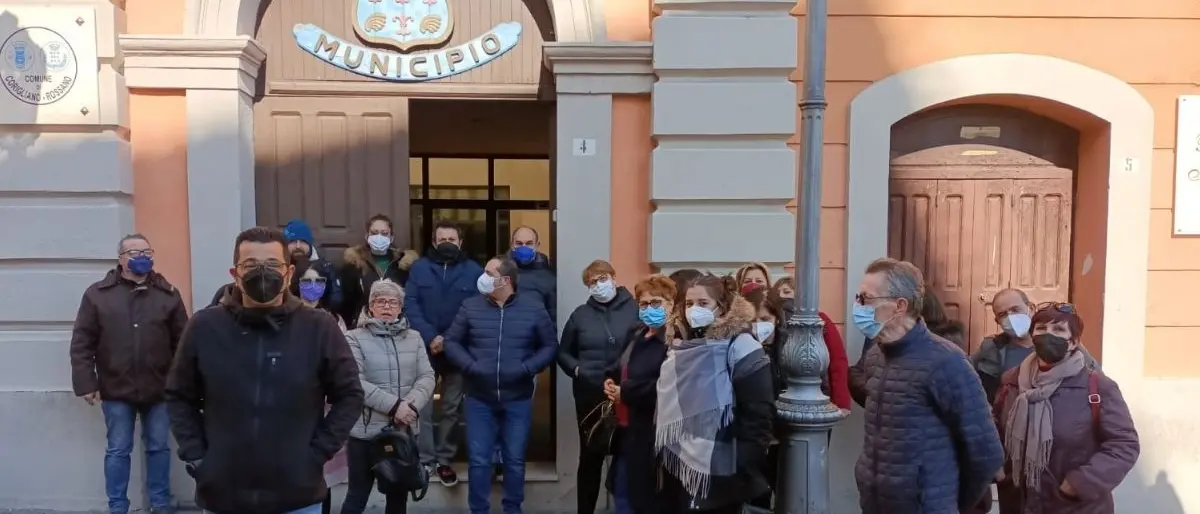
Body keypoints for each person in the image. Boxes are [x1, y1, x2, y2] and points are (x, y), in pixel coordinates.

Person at [165, 226, 364, 514]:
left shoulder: (319, 328)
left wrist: (316, 454)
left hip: (297, 497)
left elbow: (350, 395)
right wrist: (198, 456)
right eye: (251, 265)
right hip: (223, 496)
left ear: (288, 272)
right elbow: (178, 396)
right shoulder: (204, 327)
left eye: (272, 264)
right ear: (235, 274)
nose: (262, 272)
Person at [849, 258, 1003, 514]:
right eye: (857, 297)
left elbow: (985, 452)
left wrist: (948, 502)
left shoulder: (947, 362)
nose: (857, 306)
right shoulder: (875, 356)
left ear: (899, 306)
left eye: (866, 299)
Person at [70, 234, 188, 514]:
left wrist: (181, 382)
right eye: (134, 252)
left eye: (146, 251)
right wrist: (87, 382)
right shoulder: (97, 295)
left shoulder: (168, 295)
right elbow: (82, 342)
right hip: (115, 388)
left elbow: (184, 342)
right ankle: (117, 507)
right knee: (118, 450)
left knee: (159, 448)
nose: (141, 256)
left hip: (160, 388)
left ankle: (160, 503)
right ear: (121, 259)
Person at [993, 303, 1138, 514]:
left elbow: (1124, 445)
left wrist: (1079, 483)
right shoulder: (1011, 382)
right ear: (1032, 335)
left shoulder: (1097, 387)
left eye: (1058, 330)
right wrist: (994, 466)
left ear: (1074, 342)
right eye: (1041, 329)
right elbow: (995, 428)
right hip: (1019, 504)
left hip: (1074, 506)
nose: (1048, 335)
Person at [443, 255, 558, 514]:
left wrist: (527, 368)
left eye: (488, 272)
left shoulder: (533, 307)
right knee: (479, 461)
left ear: (505, 279)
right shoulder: (470, 306)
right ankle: (479, 510)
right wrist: (472, 367)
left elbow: (550, 346)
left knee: (515, 460)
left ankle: (512, 509)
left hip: (517, 398)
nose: (482, 277)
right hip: (478, 398)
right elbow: (452, 342)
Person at [655, 274, 776, 514]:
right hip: (679, 464)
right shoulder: (679, 347)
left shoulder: (741, 345)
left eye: (703, 303)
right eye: (689, 304)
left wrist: (740, 462)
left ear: (721, 308)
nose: (693, 310)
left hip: (723, 466)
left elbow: (759, 412)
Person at [341, 279, 436, 514]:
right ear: (370, 306)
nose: (386, 306)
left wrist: (409, 407)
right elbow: (355, 381)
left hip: (401, 433)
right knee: (357, 495)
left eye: (393, 302)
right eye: (380, 301)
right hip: (364, 433)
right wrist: (395, 407)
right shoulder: (353, 338)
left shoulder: (414, 338)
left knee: (398, 497)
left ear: (400, 307)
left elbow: (427, 376)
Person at [557, 259, 639, 514]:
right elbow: (563, 353)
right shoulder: (580, 314)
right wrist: (577, 370)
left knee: (629, 456)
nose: (597, 284)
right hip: (590, 397)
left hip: (627, 395)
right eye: (591, 282)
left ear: (614, 277)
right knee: (590, 458)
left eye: (602, 278)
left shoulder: (635, 309)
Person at [405, 220, 483, 487]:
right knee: (422, 408)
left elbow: (475, 307)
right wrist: (431, 337)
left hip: (458, 350)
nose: (447, 243)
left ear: (460, 242)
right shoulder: (420, 268)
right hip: (424, 349)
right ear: (434, 242)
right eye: (442, 239)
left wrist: (448, 339)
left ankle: (445, 460)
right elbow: (411, 304)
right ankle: (425, 460)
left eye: (452, 238)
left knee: (450, 407)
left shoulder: (474, 271)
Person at [605, 274, 675, 514]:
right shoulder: (636, 333)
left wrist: (625, 392)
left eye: (656, 302)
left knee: (644, 500)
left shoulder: (673, 340)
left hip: (653, 435)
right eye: (644, 304)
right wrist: (610, 381)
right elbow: (620, 366)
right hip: (626, 429)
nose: (649, 309)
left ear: (671, 304)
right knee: (621, 491)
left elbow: (666, 386)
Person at [973, 288, 1099, 406]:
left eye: (1015, 310)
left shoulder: (1063, 343)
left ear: (1031, 308)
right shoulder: (993, 348)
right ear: (997, 321)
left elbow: (1096, 377)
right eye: (1003, 314)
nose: (1010, 317)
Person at [340, 214, 419, 328]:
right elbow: (347, 303)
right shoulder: (354, 265)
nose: (379, 236)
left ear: (391, 238)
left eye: (384, 233)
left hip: (396, 326)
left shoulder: (402, 265)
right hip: (363, 326)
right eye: (374, 233)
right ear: (367, 236)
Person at [509, 226, 557, 321]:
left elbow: (552, 315)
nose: (524, 247)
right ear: (512, 245)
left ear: (537, 245)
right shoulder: (500, 273)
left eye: (529, 243)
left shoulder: (549, 278)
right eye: (519, 243)